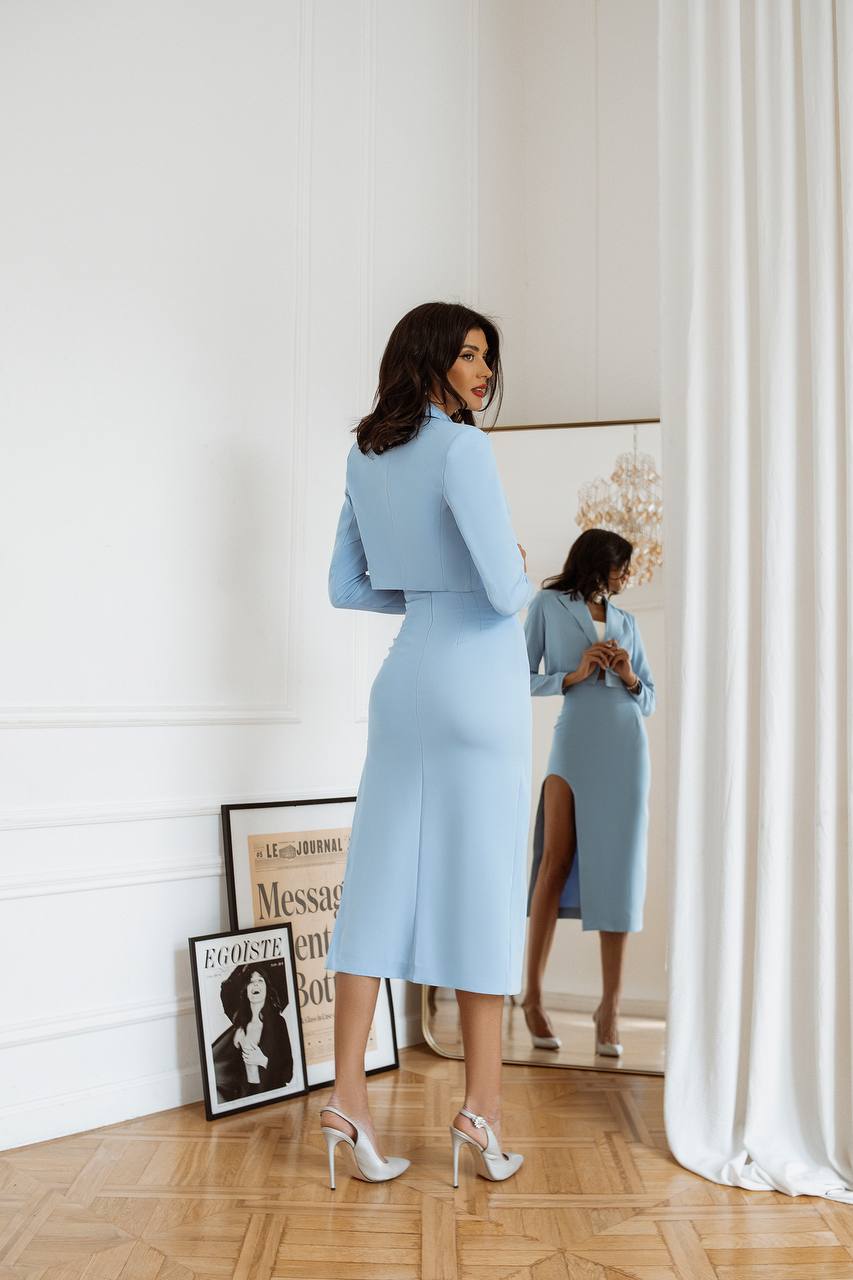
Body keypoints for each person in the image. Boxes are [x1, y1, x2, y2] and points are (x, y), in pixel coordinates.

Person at [321, 301, 532, 1190]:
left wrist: (421, 593)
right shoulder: (462, 449)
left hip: (404, 682)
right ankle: (480, 1109)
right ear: (434, 358)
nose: (483, 373)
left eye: (489, 357)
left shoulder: (365, 454)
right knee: (483, 886)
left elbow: (346, 588)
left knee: (375, 882)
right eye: (471, 355)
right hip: (479, 687)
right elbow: (503, 590)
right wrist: (517, 566)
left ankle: (346, 1101)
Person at [521, 529, 655, 1056]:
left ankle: (611, 1010)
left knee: (619, 873)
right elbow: (514, 674)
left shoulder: (628, 623)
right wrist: (571, 675)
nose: (626, 576)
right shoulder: (549, 605)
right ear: (598, 562)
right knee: (554, 861)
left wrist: (628, 675)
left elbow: (649, 698)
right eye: (622, 565)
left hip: (625, 747)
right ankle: (531, 996)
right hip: (573, 743)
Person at [211, 962, 294, 1102]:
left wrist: (264, 1060)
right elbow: (225, 1071)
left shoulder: (278, 1023)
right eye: (251, 981)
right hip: (246, 1098)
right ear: (245, 990)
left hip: (273, 1096)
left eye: (260, 980)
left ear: (267, 988)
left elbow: (287, 1074)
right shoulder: (238, 1030)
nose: (255, 984)